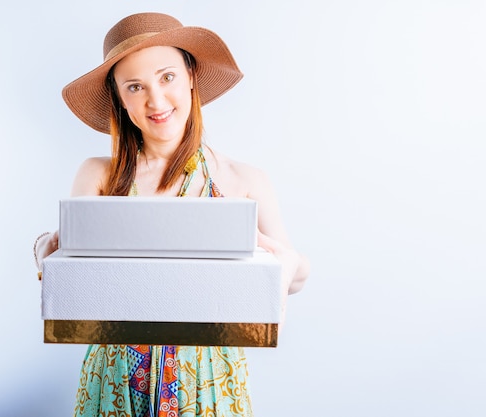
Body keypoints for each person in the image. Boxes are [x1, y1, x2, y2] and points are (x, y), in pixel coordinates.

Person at [33, 12, 310, 417]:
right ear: (119, 98)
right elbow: (81, 290)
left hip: (209, 384)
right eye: (135, 86)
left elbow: (297, 278)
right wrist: (50, 251)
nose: (156, 101)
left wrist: (284, 263)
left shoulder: (243, 180)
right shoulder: (99, 177)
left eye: (167, 77)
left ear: (191, 74)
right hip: (114, 382)